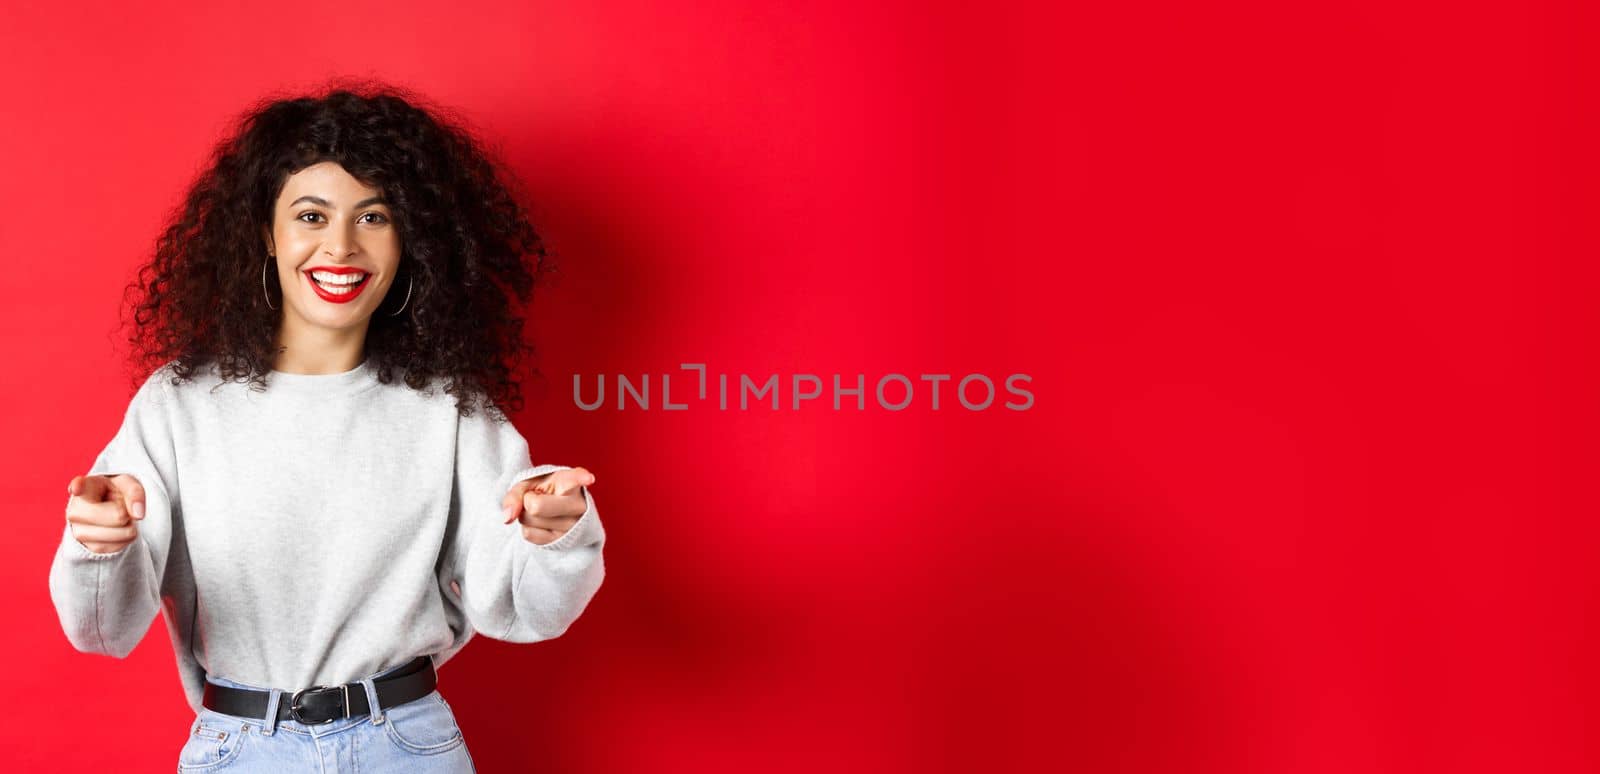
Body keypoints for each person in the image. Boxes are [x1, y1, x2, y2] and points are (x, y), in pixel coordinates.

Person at [46, 82, 606, 773]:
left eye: (374, 218)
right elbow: (100, 627)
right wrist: (100, 544)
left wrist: (553, 537)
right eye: (311, 216)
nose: (340, 247)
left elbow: (524, 610)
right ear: (266, 233)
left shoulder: (448, 409)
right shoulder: (179, 404)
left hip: (409, 747)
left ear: (411, 241)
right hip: (241, 750)